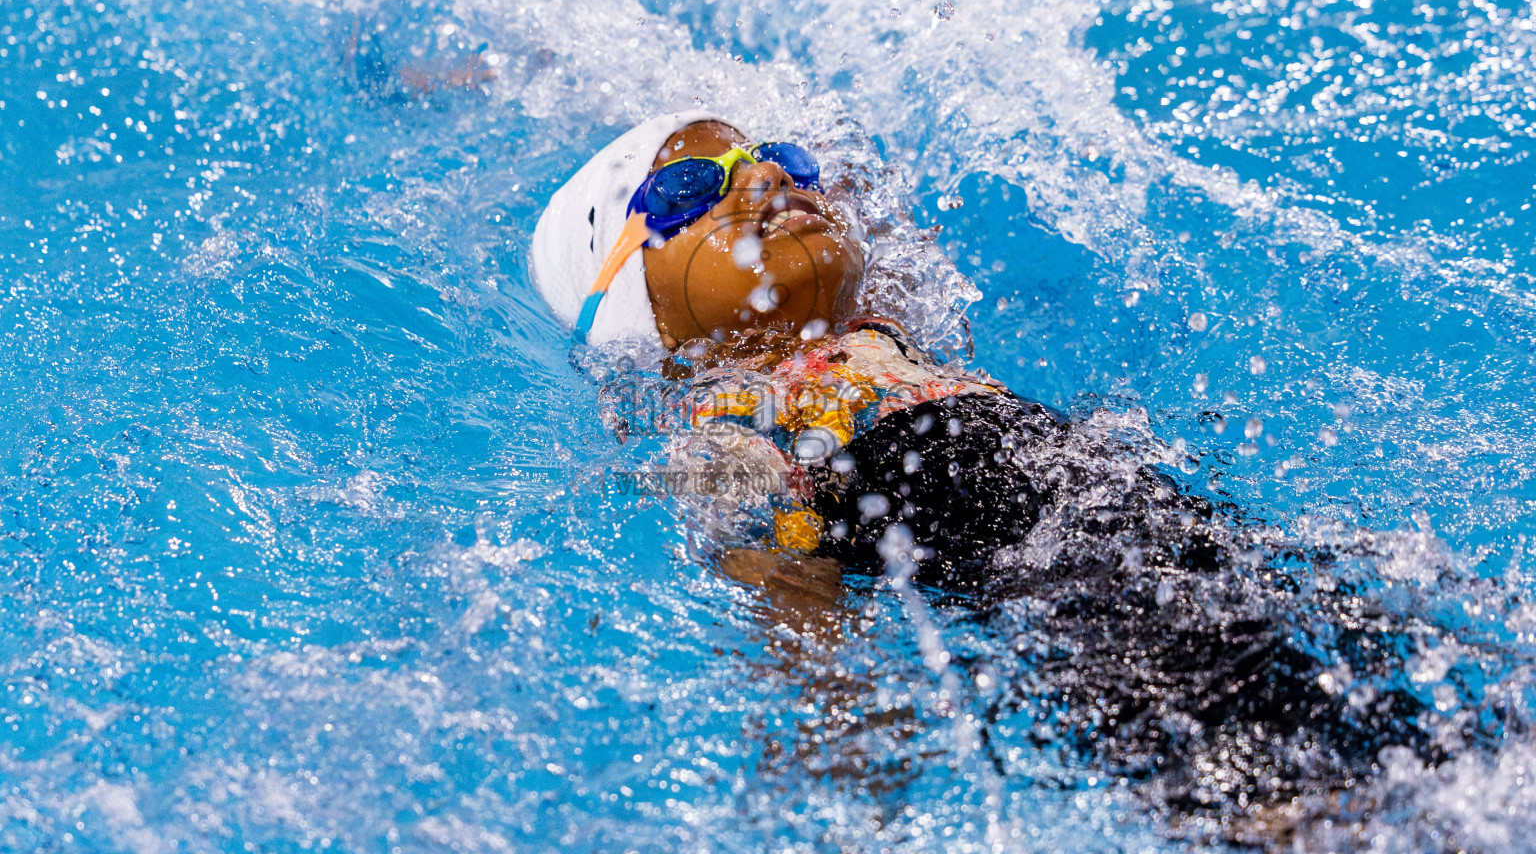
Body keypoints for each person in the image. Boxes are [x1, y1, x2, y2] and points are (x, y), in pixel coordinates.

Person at [529, 111, 1457, 838]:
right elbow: (786, 597)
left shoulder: (883, 334)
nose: (764, 176)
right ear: (625, 302)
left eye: (773, 156)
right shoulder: (727, 424)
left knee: (1452, 737)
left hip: (1192, 536)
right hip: (1098, 624)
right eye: (693, 186)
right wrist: (844, 756)